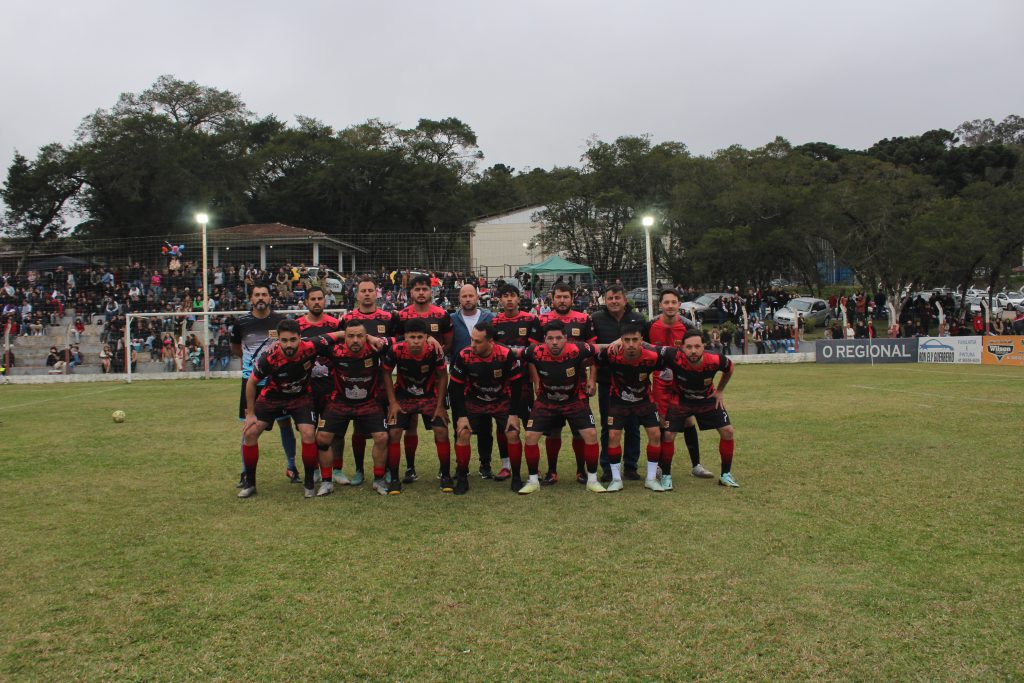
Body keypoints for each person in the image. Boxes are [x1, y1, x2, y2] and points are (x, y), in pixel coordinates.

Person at [238, 319, 346, 499]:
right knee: (250, 433)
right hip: (272, 397)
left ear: (300, 338)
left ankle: (309, 481)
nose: (289, 344)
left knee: (308, 433)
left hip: (300, 397)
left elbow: (341, 334)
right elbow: (251, 382)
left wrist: (371, 338)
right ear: (278, 339)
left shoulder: (312, 345)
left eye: (293, 340)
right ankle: (249, 483)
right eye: (284, 340)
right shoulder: (269, 357)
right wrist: (250, 414)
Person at [517, 321, 604, 494]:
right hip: (546, 400)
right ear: (544, 340)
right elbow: (511, 353)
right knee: (530, 436)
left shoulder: (579, 349)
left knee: (591, 435)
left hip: (574, 400)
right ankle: (533, 480)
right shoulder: (534, 351)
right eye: (550, 338)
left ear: (566, 338)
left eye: (558, 338)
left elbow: (600, 349)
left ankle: (592, 480)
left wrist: (618, 343)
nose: (554, 342)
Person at [230, 284, 298, 487]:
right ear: (251, 299)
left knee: (284, 423)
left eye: (264, 294)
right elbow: (236, 348)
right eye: (257, 295)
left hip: (277, 381)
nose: (261, 298)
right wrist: (254, 365)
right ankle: (246, 473)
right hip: (251, 381)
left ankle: (292, 466)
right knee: (249, 426)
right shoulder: (241, 322)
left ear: (270, 297)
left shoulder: (280, 321)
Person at [316, 320, 394, 495]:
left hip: (368, 402)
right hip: (340, 401)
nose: (356, 340)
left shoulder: (375, 349)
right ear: (345, 338)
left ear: (366, 337)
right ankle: (327, 481)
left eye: (360, 336)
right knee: (322, 438)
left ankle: (379, 479)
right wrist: (338, 334)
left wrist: (430, 338)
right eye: (350, 336)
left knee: (382, 437)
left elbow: (404, 339)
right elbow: (312, 341)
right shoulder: (335, 351)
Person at [448, 322, 524, 495]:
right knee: (463, 432)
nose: (472, 345)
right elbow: (455, 388)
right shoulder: (464, 355)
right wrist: (461, 416)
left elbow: (517, 384)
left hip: (501, 400)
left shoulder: (505, 354)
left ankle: (517, 477)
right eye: (471, 340)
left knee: (512, 432)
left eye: (477, 341)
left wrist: (513, 414)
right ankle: (462, 478)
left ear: (490, 342)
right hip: (474, 399)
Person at [657, 329, 739, 489]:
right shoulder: (673, 355)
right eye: (689, 347)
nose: (693, 351)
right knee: (668, 435)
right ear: (682, 347)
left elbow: (729, 368)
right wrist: (618, 341)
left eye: (697, 346)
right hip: (680, 400)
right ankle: (666, 476)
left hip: (707, 400)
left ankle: (725, 475)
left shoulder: (715, 359)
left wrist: (720, 390)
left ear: (704, 346)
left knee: (728, 431)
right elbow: (646, 346)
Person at [342, 276, 402, 486]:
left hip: (380, 382)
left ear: (376, 293)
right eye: (363, 290)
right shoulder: (348, 318)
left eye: (370, 290)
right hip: (356, 382)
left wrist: (383, 341)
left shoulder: (387, 317)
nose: (367, 294)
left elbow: (400, 341)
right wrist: (368, 337)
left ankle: (384, 469)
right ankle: (359, 470)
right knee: (359, 430)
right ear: (357, 294)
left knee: (382, 430)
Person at [645, 289, 710, 479]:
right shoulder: (650, 325)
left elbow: (698, 351)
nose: (670, 306)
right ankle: (660, 466)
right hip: (660, 382)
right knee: (662, 421)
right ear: (661, 305)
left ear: (679, 304)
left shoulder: (687, 325)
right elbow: (643, 349)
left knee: (689, 420)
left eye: (674, 302)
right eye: (667, 302)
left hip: (682, 381)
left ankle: (696, 465)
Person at [594, 323, 667, 491]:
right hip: (619, 400)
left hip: (644, 400)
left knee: (655, 434)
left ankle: (650, 479)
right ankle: (616, 479)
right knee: (613, 435)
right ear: (621, 341)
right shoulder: (611, 354)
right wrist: (591, 380)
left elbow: (667, 370)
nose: (631, 344)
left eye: (635, 339)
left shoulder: (653, 356)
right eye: (627, 340)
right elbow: (594, 361)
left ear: (642, 340)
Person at [381, 318, 451, 492]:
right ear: (405, 337)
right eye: (412, 337)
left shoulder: (434, 350)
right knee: (395, 431)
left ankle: (445, 474)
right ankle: (399, 476)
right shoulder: (396, 350)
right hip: (404, 395)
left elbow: (443, 376)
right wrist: (393, 403)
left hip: (430, 394)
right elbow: (386, 373)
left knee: (441, 430)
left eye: (420, 337)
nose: (416, 341)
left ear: (426, 337)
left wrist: (440, 405)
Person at [538, 282, 596, 484]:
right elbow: (535, 353)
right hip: (549, 386)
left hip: (577, 386)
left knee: (580, 432)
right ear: (552, 298)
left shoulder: (583, 319)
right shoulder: (542, 319)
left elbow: (594, 351)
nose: (562, 300)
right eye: (558, 297)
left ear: (572, 298)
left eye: (566, 297)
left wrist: (591, 379)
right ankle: (552, 471)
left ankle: (581, 471)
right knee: (552, 431)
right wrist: (537, 381)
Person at [399, 274, 454, 477]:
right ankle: (410, 468)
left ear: (431, 292)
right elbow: (396, 341)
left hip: (434, 379)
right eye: (417, 289)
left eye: (425, 289)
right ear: (411, 292)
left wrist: (433, 356)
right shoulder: (402, 316)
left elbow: (448, 344)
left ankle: (444, 470)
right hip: (408, 379)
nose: (421, 293)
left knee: (440, 424)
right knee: (410, 424)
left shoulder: (441, 315)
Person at [591, 284, 645, 481]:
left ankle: (631, 466)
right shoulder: (596, 318)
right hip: (607, 381)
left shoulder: (638, 318)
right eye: (610, 298)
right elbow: (592, 349)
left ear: (625, 299)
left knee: (633, 425)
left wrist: (619, 342)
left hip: (633, 382)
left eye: (617, 298)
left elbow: (643, 344)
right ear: (605, 300)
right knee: (608, 425)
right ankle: (607, 467)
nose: (614, 301)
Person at [492, 284, 542, 483]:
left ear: (519, 299)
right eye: (505, 296)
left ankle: (533, 468)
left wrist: (536, 382)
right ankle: (505, 466)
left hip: (524, 383)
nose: (509, 299)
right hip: (502, 384)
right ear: (500, 300)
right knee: (503, 425)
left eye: (513, 295)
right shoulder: (494, 322)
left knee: (530, 425)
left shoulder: (531, 320)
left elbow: (534, 355)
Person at [297, 286, 347, 483]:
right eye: (313, 299)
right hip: (306, 389)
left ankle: (337, 469)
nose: (317, 302)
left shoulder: (336, 324)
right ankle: (315, 469)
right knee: (308, 432)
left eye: (320, 298)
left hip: (332, 387)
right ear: (306, 302)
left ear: (325, 301)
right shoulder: (297, 326)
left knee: (336, 432)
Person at [449, 283, 498, 478]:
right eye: (464, 296)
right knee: (459, 425)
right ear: (459, 299)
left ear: (477, 297)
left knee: (485, 428)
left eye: (471, 295)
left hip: (484, 380)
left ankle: (485, 465)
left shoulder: (490, 318)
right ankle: (462, 466)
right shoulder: (451, 320)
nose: (468, 299)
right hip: (460, 379)